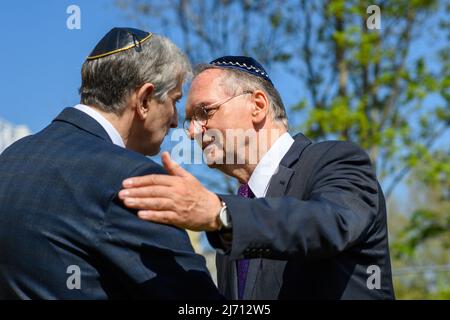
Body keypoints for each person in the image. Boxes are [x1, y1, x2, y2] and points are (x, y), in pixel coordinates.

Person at [118, 56, 396, 300]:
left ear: (258, 105)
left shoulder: (336, 161)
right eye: (190, 119)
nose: (192, 132)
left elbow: (329, 224)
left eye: (204, 112)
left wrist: (221, 214)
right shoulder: (230, 227)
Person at [0, 27, 221, 299]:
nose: (176, 121)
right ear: (144, 100)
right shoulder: (132, 179)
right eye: (175, 100)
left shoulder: (10, 159)